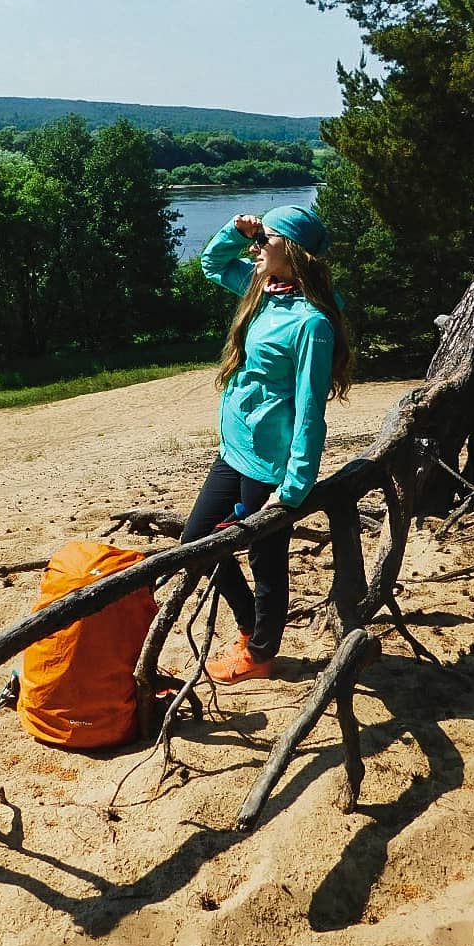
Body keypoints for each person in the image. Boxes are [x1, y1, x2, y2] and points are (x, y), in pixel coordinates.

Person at [181, 205, 352, 685]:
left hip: (270, 465)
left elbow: (310, 409)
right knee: (197, 541)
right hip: (234, 449)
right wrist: (240, 231)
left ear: (293, 250)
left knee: (265, 561)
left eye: (267, 239)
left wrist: (295, 486)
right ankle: (249, 627)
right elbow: (213, 265)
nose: (256, 247)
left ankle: (260, 654)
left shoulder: (312, 322)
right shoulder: (264, 291)